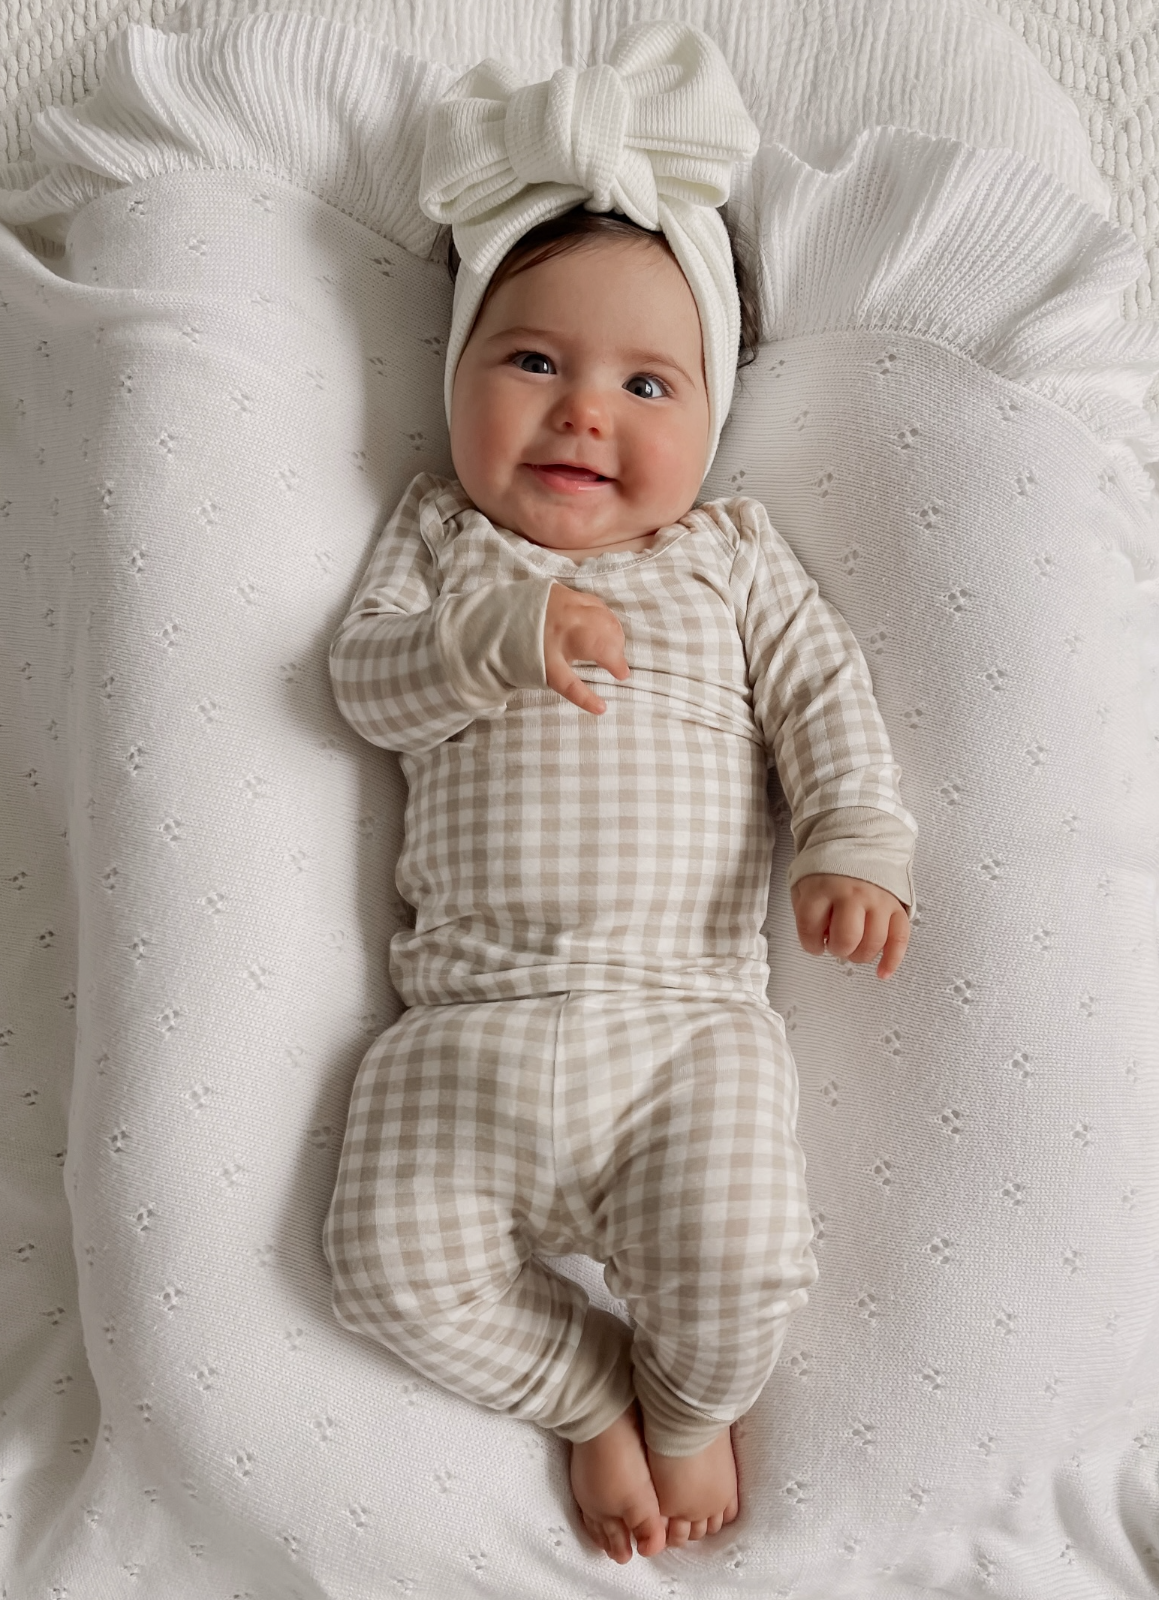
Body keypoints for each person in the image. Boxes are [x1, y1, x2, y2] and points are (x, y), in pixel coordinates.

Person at [322, 21, 918, 1565]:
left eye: (648, 381)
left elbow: (822, 698)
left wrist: (854, 836)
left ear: (712, 423)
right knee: (383, 1266)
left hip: (684, 1030)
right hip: (469, 1021)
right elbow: (359, 686)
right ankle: (585, 1393)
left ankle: (681, 1398)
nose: (586, 409)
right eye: (531, 360)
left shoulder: (726, 559)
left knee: (744, 1280)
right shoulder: (449, 544)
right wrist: (494, 638)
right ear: (455, 379)